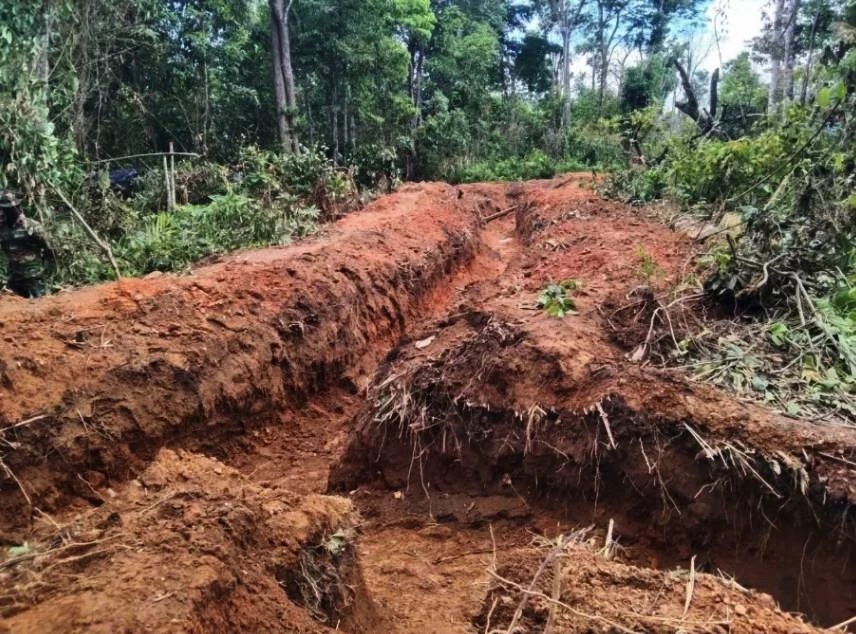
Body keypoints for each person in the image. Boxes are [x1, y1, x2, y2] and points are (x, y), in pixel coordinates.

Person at [0, 191, 54, 298]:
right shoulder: (2, 228)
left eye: (14, 207)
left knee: (40, 304)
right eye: (5, 209)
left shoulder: (32, 226)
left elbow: (50, 248)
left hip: (33, 274)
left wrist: (49, 271)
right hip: (14, 276)